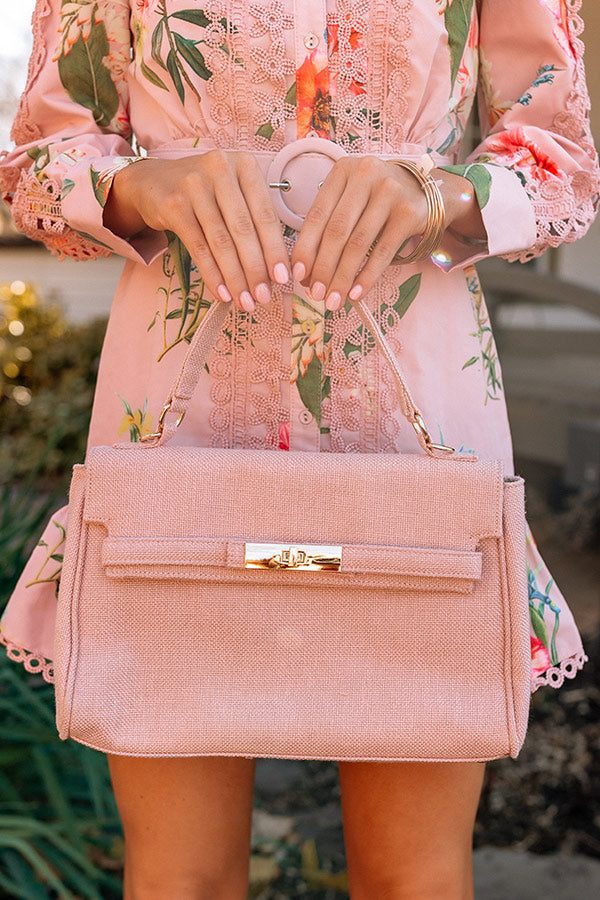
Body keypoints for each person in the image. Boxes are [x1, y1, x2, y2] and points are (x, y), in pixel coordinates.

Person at [0, 1, 598, 897]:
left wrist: (440, 193)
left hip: (416, 436)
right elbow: (38, 162)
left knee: (415, 880)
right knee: (179, 879)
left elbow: (560, 160)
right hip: (176, 425)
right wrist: (145, 186)